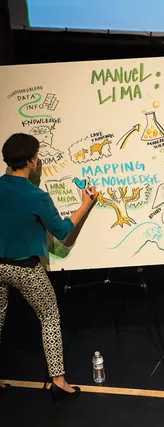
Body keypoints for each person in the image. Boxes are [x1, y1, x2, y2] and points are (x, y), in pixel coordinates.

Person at [0, 133, 97, 401]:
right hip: (25, 268)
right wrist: (85, 205)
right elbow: (63, 230)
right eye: (37, 156)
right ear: (31, 162)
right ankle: (59, 381)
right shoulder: (36, 196)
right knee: (50, 318)